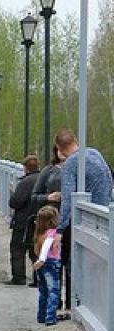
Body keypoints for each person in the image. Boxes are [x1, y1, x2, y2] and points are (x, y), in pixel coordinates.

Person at [54, 129, 113, 319]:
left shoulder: (71, 164)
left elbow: (69, 199)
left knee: (73, 261)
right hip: (103, 214)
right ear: (76, 141)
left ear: (59, 149)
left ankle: (73, 305)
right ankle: (96, 305)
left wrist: (60, 229)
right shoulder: (95, 153)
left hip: (83, 218)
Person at [28, 146, 64, 288]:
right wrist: (49, 197)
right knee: (52, 255)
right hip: (52, 221)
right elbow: (34, 196)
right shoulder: (48, 171)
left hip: (72, 220)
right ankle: (53, 295)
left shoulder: (77, 169)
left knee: (69, 259)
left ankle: (69, 303)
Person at [7, 155, 41, 286]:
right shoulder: (43, 179)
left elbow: (15, 202)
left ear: (25, 168)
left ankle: (19, 277)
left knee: (17, 249)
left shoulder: (25, 182)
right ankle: (38, 278)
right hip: (40, 220)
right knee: (36, 251)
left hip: (23, 221)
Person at [32, 206, 63, 326]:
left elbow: (42, 247)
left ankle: (41, 315)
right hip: (51, 263)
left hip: (42, 265)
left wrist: (40, 260)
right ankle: (50, 317)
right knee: (53, 291)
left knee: (43, 291)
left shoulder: (40, 234)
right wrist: (42, 259)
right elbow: (47, 246)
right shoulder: (53, 233)